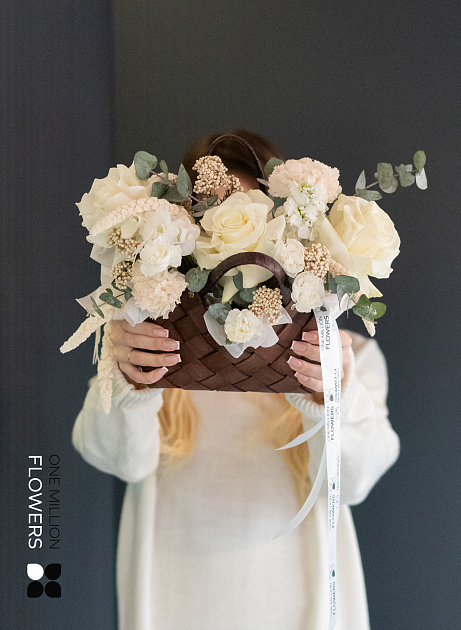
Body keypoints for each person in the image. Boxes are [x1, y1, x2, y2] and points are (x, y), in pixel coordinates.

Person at [72, 129, 401, 630]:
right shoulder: (150, 351)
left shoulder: (346, 358)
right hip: (175, 598)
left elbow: (354, 481)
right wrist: (129, 383)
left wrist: (332, 393)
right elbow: (119, 459)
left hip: (301, 599)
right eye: (215, 229)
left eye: (254, 227)